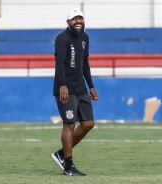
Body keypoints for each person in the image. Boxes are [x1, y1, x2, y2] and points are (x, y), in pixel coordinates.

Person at [51, 8, 98, 176]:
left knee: (88, 123)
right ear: (68, 22)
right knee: (69, 123)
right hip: (66, 89)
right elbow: (59, 64)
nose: (78, 21)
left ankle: (61, 154)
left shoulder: (85, 38)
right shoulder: (62, 38)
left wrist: (91, 86)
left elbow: (85, 63)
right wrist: (62, 86)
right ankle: (68, 166)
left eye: (80, 18)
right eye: (74, 19)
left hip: (81, 88)